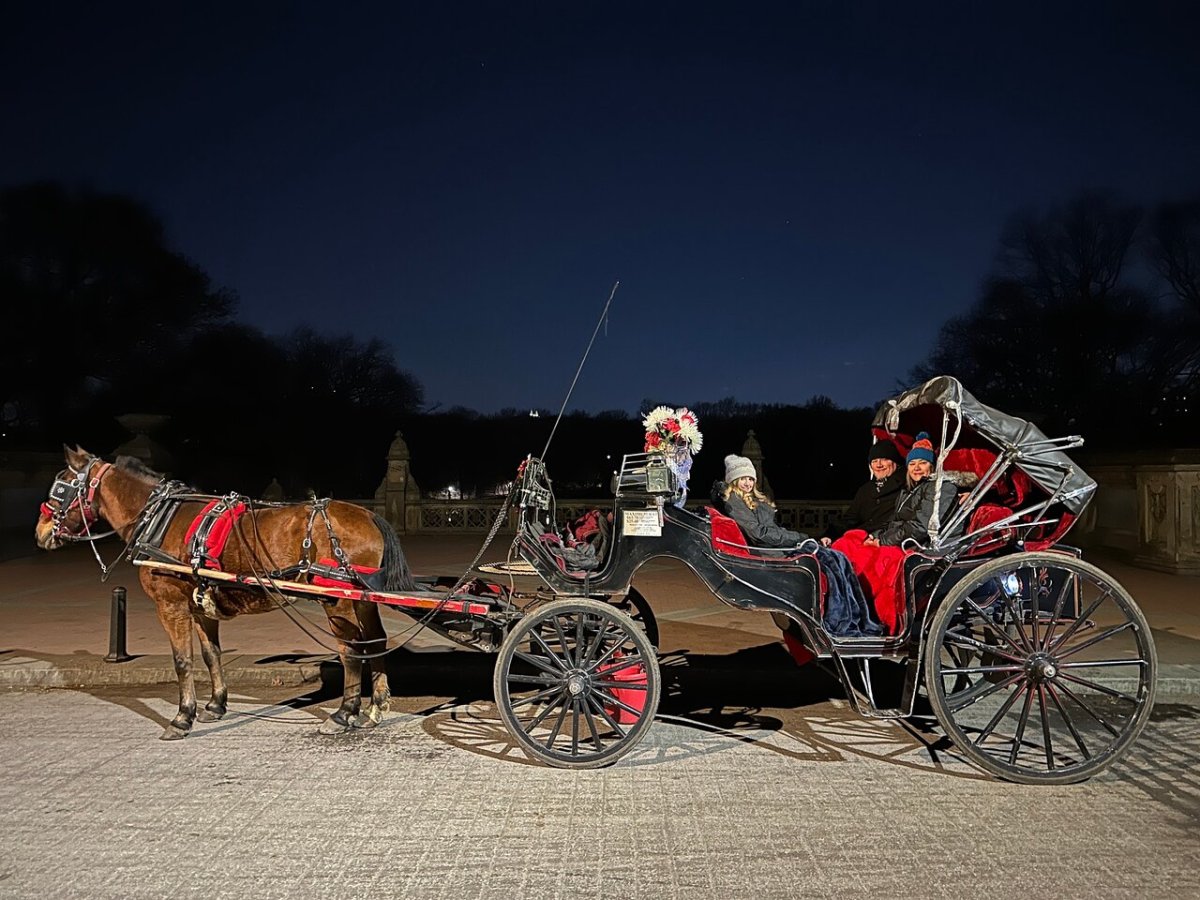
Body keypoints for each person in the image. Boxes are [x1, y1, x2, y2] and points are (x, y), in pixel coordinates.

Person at [863, 432, 961, 547]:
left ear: (932, 466)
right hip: (906, 541)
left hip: (930, 546)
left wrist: (882, 541)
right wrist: (876, 535)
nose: (916, 468)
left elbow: (922, 527)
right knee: (851, 542)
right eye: (912, 464)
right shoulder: (909, 490)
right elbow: (895, 521)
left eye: (923, 463)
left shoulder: (942, 487)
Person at [713, 454, 809, 548]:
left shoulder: (750, 499)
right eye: (742, 479)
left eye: (750, 479)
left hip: (774, 546)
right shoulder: (733, 501)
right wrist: (798, 538)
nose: (748, 484)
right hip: (766, 553)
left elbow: (770, 528)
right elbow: (758, 534)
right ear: (733, 481)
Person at [820, 440, 904, 545]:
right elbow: (850, 519)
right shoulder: (866, 490)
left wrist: (877, 538)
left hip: (885, 541)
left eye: (884, 459)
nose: (879, 465)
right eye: (874, 461)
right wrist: (830, 535)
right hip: (861, 538)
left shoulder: (905, 487)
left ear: (895, 462)